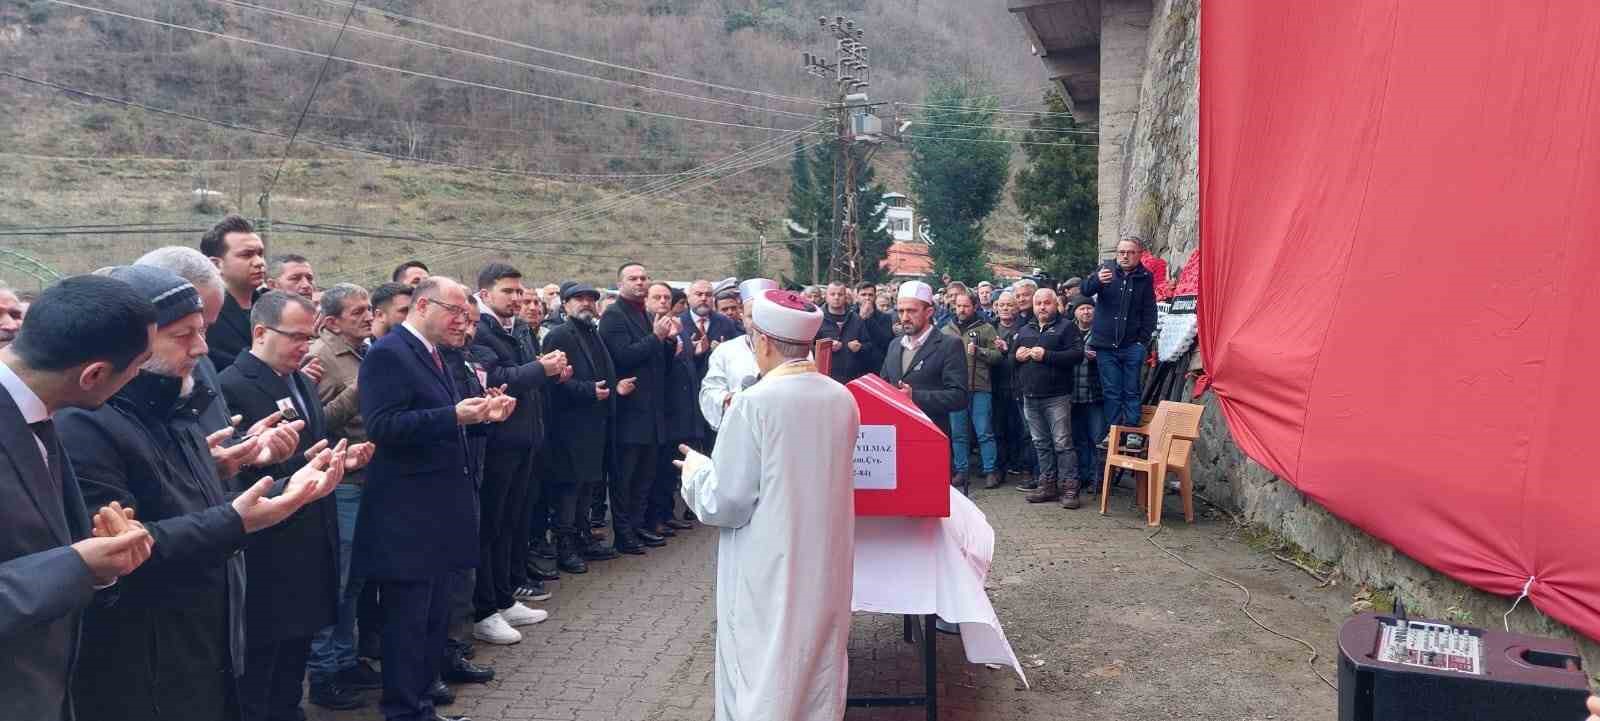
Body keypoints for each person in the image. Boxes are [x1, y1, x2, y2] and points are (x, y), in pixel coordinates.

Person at [60, 265, 343, 721]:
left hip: (204, 645)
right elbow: (119, 548)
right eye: (183, 334)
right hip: (148, 665)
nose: (203, 348)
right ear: (132, 341)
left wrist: (228, 463)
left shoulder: (176, 406)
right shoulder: (84, 422)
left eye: (204, 330)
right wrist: (242, 518)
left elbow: (169, 493)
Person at [675, 289, 859, 721]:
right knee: (816, 664)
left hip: (768, 564)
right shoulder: (841, 398)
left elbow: (729, 501)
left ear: (763, 342)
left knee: (764, 667)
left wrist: (695, 471)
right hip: (825, 561)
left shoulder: (754, 403)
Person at [0, 275, 159, 721]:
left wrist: (100, 564)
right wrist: (78, 564)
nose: (137, 378)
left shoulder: (39, 414)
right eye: (138, 365)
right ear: (94, 375)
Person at [355, 276, 511, 721]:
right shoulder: (389, 353)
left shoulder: (435, 354)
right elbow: (383, 426)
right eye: (455, 312)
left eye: (466, 314)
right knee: (406, 623)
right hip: (406, 515)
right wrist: (452, 415)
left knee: (431, 621)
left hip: (438, 510)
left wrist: (483, 417)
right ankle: (404, 711)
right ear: (423, 305)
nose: (463, 321)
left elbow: (445, 423)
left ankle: (422, 706)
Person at [220, 290, 374, 720]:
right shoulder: (232, 385)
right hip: (270, 550)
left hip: (311, 534)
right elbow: (232, 476)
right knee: (261, 670)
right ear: (261, 332)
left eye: (309, 336)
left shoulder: (302, 381)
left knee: (293, 661)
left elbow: (311, 442)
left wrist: (337, 460)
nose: (305, 347)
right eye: (296, 337)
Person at [468, 263, 562, 644]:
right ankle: (484, 608)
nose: (518, 298)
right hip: (497, 442)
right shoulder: (480, 329)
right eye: (509, 291)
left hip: (524, 439)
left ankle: (505, 596)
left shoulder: (517, 327)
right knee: (490, 527)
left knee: (511, 522)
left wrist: (542, 370)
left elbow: (520, 373)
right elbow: (498, 377)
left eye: (520, 291)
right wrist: (540, 368)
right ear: (486, 293)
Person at [304, 283, 387, 707]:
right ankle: (323, 674)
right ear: (331, 321)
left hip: (369, 478)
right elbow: (313, 422)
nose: (367, 316)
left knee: (355, 582)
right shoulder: (320, 358)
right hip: (341, 486)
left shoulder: (368, 352)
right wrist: (358, 393)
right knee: (335, 582)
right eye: (357, 311)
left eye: (369, 309)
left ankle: (346, 659)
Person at [542, 283, 631, 572]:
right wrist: (588, 390)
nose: (586, 304)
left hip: (597, 424)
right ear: (565, 304)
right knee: (570, 488)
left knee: (588, 487)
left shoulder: (592, 331)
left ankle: (583, 539)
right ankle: (565, 546)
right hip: (570, 427)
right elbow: (553, 382)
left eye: (591, 299)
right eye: (579, 299)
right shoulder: (558, 335)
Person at [599, 262, 678, 555]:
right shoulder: (613, 316)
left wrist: (669, 343)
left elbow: (656, 363)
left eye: (644, 278)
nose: (640, 282)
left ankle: (637, 525)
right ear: (620, 284)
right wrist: (656, 337)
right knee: (625, 478)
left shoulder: (645, 315)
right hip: (630, 413)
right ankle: (623, 533)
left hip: (652, 412)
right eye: (633, 278)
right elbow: (622, 357)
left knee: (645, 476)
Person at [1013, 289, 1086, 508]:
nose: (1042, 307)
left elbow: (1077, 355)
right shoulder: (1025, 329)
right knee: (1041, 443)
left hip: (1056, 396)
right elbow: (1012, 360)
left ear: (1056, 305)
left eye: (1046, 303)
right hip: (1030, 396)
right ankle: (1048, 485)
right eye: (1038, 303)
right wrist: (1015, 357)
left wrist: (1047, 355)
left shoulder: (1066, 327)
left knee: (1063, 443)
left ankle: (1070, 488)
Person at [1080, 237, 1158, 440]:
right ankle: (1114, 433)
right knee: (1112, 391)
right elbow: (1084, 290)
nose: (1125, 256)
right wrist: (1097, 280)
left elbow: (1149, 311)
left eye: (1130, 252)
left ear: (1139, 254)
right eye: (1121, 252)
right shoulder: (1105, 270)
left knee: (1132, 390)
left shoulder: (1145, 277)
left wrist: (1142, 341)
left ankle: (1132, 433)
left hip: (1132, 345)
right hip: (1105, 346)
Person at [879, 281, 968, 439]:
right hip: (894, 439)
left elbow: (959, 397)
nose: (904, 318)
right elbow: (884, 385)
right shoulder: (894, 345)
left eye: (911, 311)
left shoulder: (949, 345)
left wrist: (915, 396)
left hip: (930, 438)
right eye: (901, 311)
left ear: (929, 312)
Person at [651, 282, 702, 538]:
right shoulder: (656, 330)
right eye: (659, 298)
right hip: (668, 408)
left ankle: (667, 514)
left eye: (667, 298)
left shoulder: (678, 328)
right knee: (662, 468)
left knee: (672, 469)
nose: (664, 302)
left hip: (684, 407)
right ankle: (658, 516)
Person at [696, 278, 776, 431]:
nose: (757, 324)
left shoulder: (792, 350)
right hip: (737, 429)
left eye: (763, 316)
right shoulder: (725, 350)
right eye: (751, 316)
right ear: (743, 317)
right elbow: (709, 391)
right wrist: (729, 399)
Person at [942, 290, 1002, 489]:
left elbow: (998, 356)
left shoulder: (986, 329)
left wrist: (980, 352)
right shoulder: (946, 331)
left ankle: (990, 470)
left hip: (980, 386)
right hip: (955, 389)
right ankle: (962, 470)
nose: (961, 309)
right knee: (958, 433)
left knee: (984, 431)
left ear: (974, 306)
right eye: (958, 306)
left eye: (966, 306)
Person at [200, 215, 267, 372]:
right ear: (216, 264)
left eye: (260, 254)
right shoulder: (206, 317)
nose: (259, 262)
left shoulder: (273, 306)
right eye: (247, 255)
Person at [677, 279, 740, 434]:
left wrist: (721, 351)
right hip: (686, 398)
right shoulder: (678, 323)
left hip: (717, 395)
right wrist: (691, 352)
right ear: (689, 297)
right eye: (699, 294)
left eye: (708, 295)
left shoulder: (725, 323)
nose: (704, 298)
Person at [990, 291, 1034, 490]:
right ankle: (999, 467)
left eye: (1010, 305)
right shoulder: (989, 329)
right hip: (995, 386)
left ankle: (1025, 469)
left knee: (1024, 430)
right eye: (1002, 305)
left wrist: (1007, 350)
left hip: (1020, 386)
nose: (1005, 308)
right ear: (996, 308)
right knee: (998, 429)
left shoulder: (1026, 329)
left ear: (1017, 308)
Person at [1067, 296, 1107, 493]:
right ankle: (1082, 476)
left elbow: (1112, 358)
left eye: (1089, 308)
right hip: (1072, 394)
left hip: (1094, 394)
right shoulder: (1068, 331)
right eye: (1081, 309)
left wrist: (1099, 357)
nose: (1086, 312)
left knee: (1096, 438)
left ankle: (1097, 479)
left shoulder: (1101, 331)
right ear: (1075, 311)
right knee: (1078, 438)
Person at [815, 282, 873, 383]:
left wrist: (860, 347)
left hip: (851, 378)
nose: (836, 297)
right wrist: (826, 347)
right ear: (826, 297)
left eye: (840, 294)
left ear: (846, 296)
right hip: (825, 378)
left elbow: (868, 345)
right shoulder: (818, 318)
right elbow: (808, 347)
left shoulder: (855, 318)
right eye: (832, 294)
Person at [855, 281, 894, 373]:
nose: (867, 298)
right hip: (854, 365)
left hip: (875, 366)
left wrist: (869, 319)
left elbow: (885, 341)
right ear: (857, 297)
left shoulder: (885, 317)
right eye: (863, 295)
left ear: (875, 297)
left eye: (870, 295)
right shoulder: (850, 315)